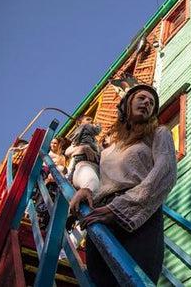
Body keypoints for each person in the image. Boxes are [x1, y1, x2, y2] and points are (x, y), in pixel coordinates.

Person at [70, 84, 177, 285]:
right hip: (100, 214)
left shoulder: (159, 134)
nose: (147, 103)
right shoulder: (107, 150)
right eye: (142, 98)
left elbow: (166, 173)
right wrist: (87, 189)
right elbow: (92, 175)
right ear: (127, 104)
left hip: (139, 215)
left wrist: (120, 209)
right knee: (101, 281)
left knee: (135, 279)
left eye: (152, 103)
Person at [65, 116, 101, 183]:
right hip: (83, 157)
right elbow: (97, 131)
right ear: (79, 123)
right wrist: (99, 124)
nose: (91, 121)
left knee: (72, 170)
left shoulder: (79, 133)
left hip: (82, 158)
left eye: (91, 119)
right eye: (88, 119)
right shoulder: (87, 126)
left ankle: (68, 180)